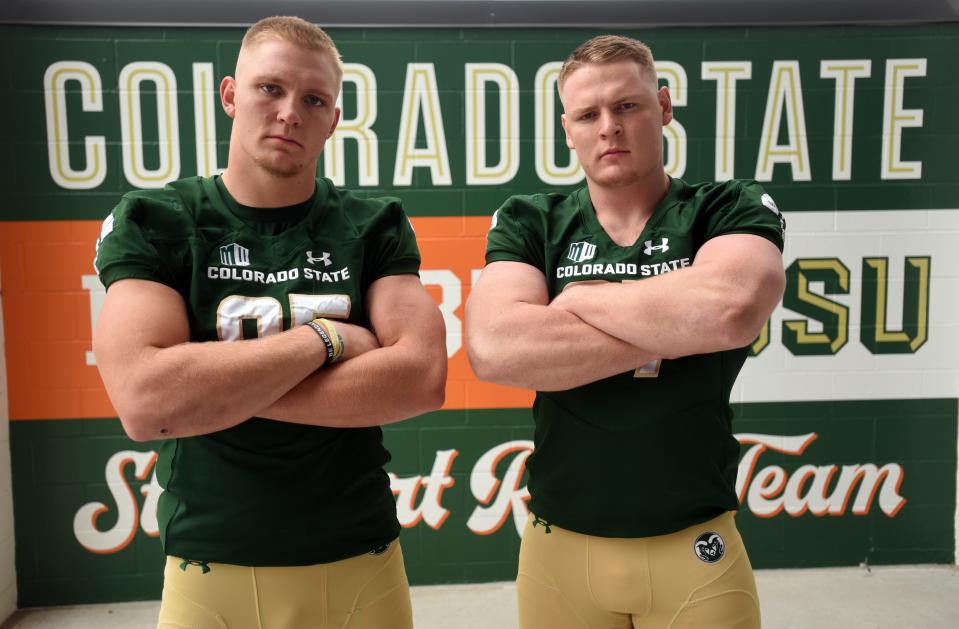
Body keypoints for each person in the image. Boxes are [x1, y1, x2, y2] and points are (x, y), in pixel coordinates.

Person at [92, 16, 446, 629]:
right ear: (230, 94)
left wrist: (213, 389)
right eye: (270, 89)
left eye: (314, 100)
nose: (290, 113)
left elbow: (421, 378)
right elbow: (147, 401)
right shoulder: (159, 218)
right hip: (210, 561)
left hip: (358, 553)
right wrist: (325, 340)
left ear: (334, 119)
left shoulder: (373, 223)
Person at [466, 34, 786, 629]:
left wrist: (581, 298)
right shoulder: (532, 219)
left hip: (696, 543)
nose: (608, 126)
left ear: (663, 107)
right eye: (588, 114)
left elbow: (730, 310)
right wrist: (674, 321)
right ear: (568, 129)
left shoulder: (723, 206)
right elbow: (495, 349)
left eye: (627, 106)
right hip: (559, 548)